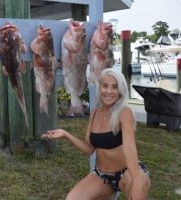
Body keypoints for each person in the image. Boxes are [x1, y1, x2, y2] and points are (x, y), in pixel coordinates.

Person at [42, 68, 150, 200]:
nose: (109, 91)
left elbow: (129, 148)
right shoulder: (94, 113)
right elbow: (89, 149)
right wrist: (66, 134)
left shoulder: (124, 112)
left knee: (135, 193)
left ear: (120, 90)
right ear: (100, 88)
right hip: (102, 175)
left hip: (127, 171)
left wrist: (137, 181)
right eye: (105, 86)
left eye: (114, 87)